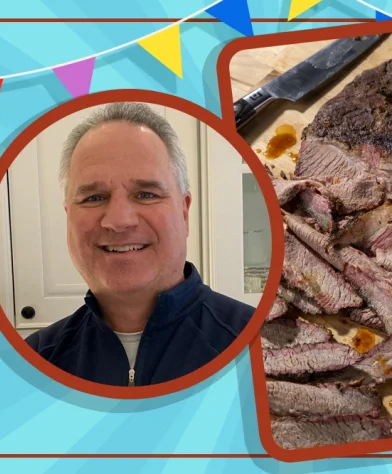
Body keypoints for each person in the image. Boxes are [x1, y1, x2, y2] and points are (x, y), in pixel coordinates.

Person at [25, 102, 255, 387]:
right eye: (93, 198)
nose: (119, 220)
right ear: (68, 217)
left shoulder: (257, 343)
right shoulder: (34, 360)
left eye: (146, 194)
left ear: (184, 213)